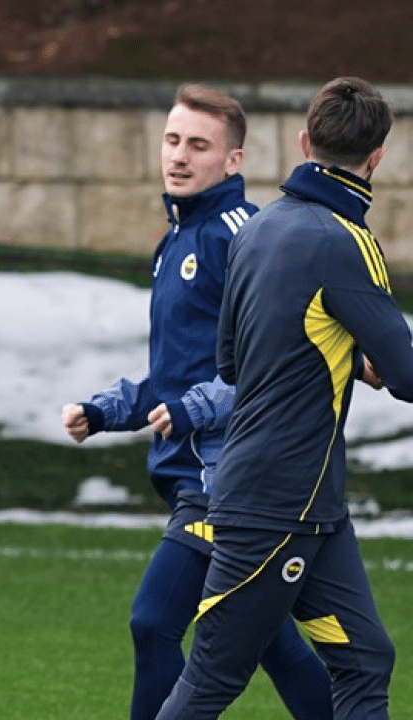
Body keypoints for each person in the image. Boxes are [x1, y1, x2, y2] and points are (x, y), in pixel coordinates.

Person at [60, 83, 332, 720]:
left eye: (199, 145)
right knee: (270, 641)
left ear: (233, 161)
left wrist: (194, 412)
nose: (179, 156)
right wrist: (107, 410)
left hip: (231, 475)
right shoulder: (178, 239)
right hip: (197, 471)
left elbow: (274, 364)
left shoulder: (241, 237)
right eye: (172, 140)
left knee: (154, 622)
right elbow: (177, 374)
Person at [155, 76, 413, 719]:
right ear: (378, 157)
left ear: (304, 141)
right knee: (212, 676)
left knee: (364, 657)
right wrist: (358, 357)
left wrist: (342, 355)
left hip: (306, 503)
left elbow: (232, 364)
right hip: (278, 507)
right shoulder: (348, 243)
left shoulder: (258, 230)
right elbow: (407, 375)